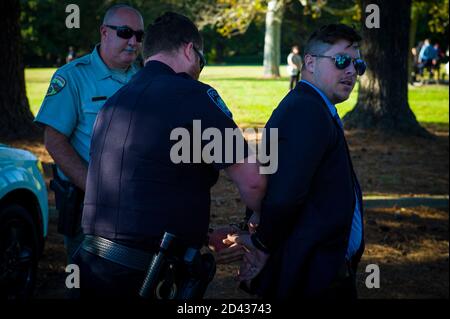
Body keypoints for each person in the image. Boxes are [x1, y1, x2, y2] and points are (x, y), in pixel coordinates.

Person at [75, 12, 266, 299]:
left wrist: (201, 234)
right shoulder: (193, 96)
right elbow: (252, 181)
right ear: (190, 50)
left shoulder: (115, 103)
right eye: (203, 60)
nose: (201, 69)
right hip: (145, 277)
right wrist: (264, 235)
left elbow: (140, 189)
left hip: (90, 267)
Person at [225, 24, 366, 299]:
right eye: (341, 61)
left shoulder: (310, 106)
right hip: (312, 273)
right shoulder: (306, 110)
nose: (351, 71)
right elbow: (284, 195)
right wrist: (262, 244)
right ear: (310, 63)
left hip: (317, 267)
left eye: (357, 65)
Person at [34, 4, 144, 267]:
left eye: (139, 36)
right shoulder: (73, 77)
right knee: (88, 280)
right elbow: (54, 140)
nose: (133, 42)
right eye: (125, 32)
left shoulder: (144, 77)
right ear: (104, 32)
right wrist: (95, 189)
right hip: (91, 207)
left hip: (139, 202)